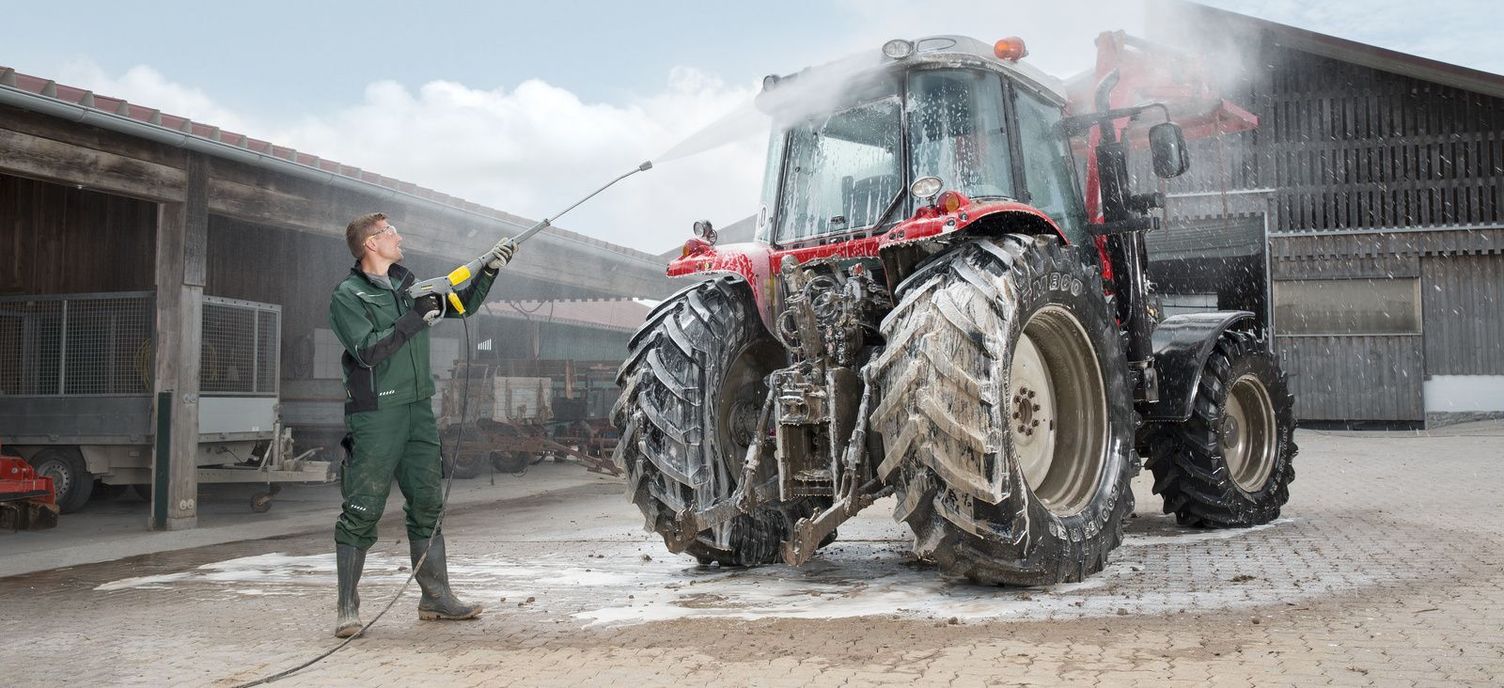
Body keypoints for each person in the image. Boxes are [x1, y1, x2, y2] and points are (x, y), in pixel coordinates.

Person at [327, 212, 516, 638]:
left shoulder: (409, 286)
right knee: (362, 508)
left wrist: (489, 269)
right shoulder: (348, 296)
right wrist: (416, 317)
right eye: (390, 232)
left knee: (428, 504)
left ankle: (436, 597)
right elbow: (367, 351)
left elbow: (464, 304)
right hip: (376, 414)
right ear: (370, 244)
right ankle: (346, 608)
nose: (399, 236)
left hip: (417, 409)